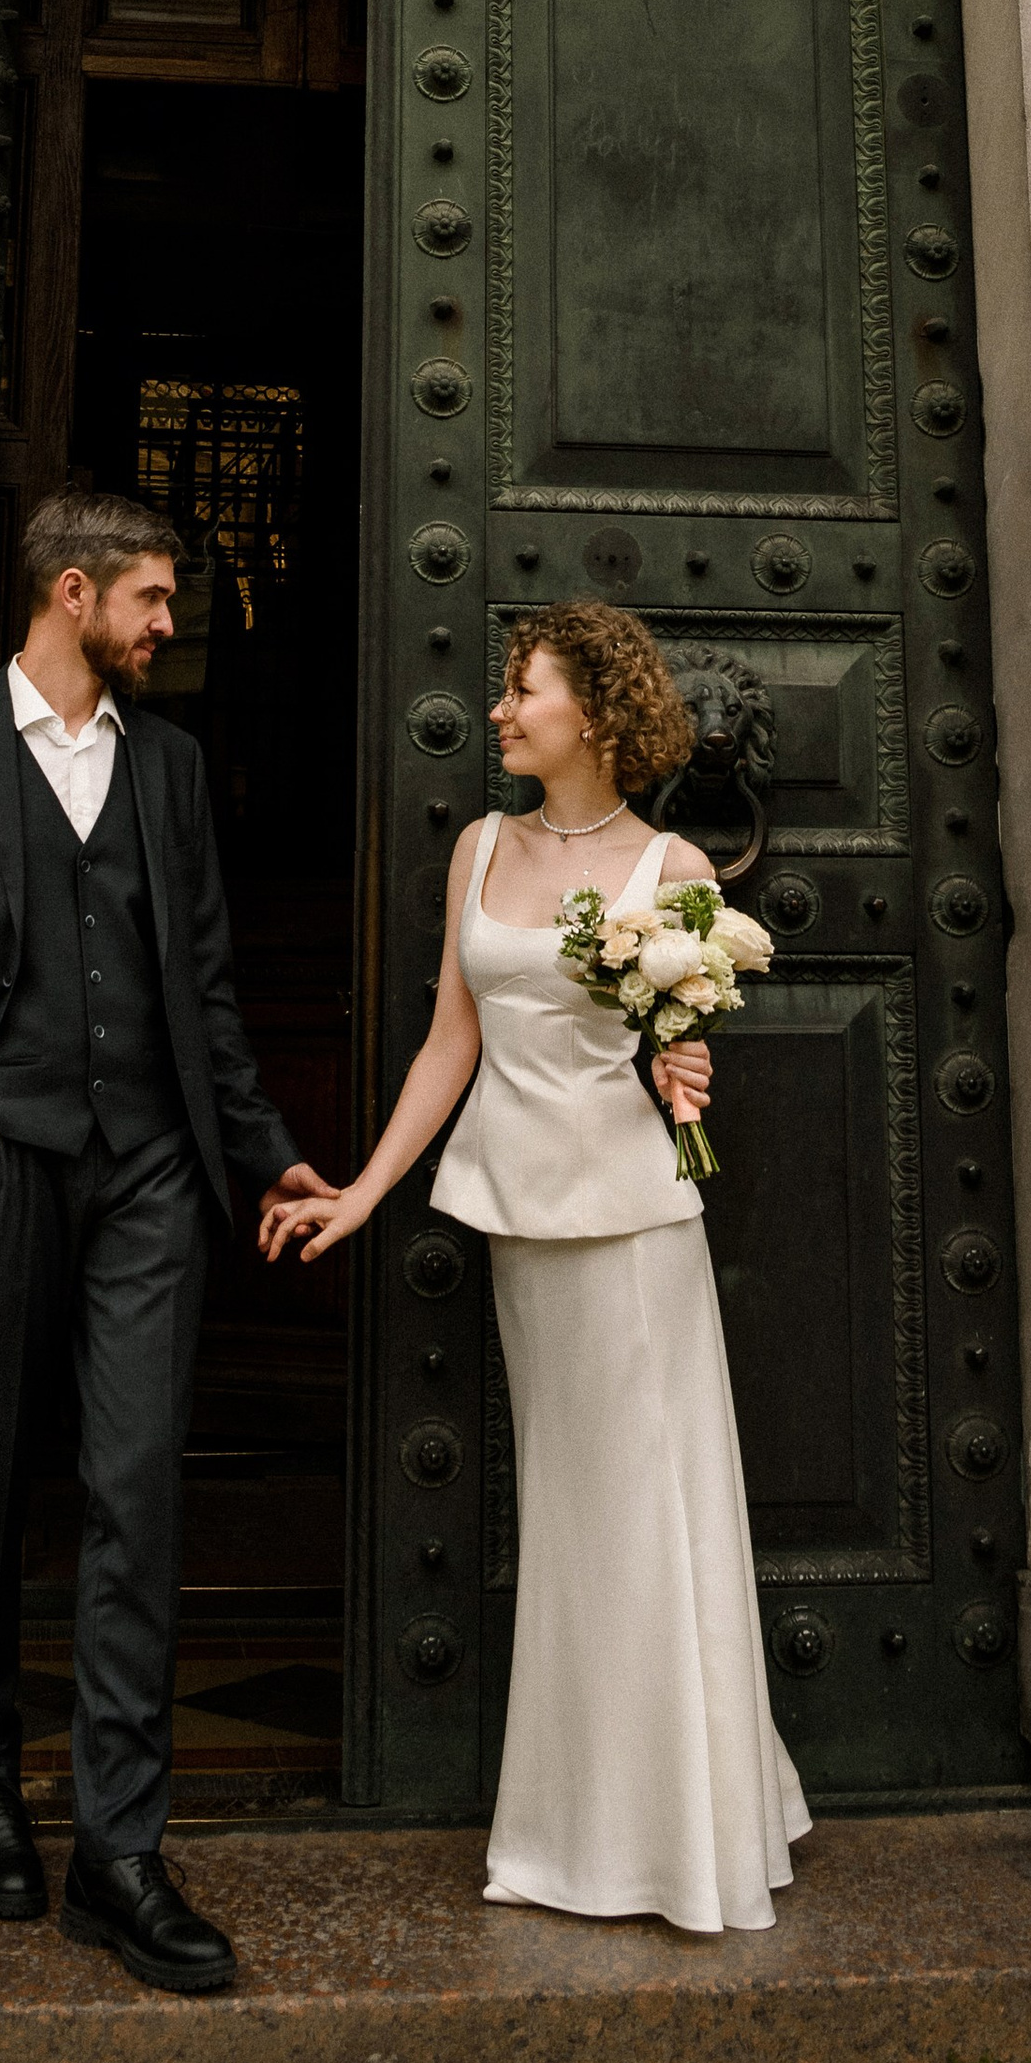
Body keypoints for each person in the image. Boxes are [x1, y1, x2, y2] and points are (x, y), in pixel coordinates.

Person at [0, 488, 330, 1994]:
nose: (170, 626)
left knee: (137, 1486)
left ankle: (121, 1852)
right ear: (74, 592)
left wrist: (269, 1153)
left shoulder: (167, 767)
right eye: (152, 599)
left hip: (151, 1170)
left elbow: (206, 994)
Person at [264, 601, 811, 1934]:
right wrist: (362, 1192)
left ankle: (667, 1841)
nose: (502, 712)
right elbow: (450, 1044)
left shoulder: (674, 862)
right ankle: (576, 1828)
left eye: (528, 691)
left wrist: (689, 1085)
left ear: (599, 717)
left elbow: (682, 1075)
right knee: (573, 1524)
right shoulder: (481, 846)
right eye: (507, 691)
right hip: (522, 1221)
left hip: (636, 1231)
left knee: (643, 1520)